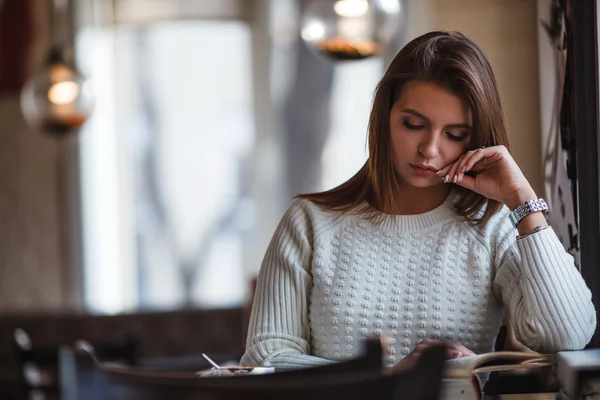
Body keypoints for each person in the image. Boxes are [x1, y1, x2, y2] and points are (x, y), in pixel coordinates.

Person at [240, 31, 596, 371]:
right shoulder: (309, 224)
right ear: (384, 118)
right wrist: (391, 379)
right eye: (413, 124)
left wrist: (523, 199)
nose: (429, 149)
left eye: (455, 135)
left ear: (476, 140)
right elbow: (266, 358)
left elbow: (567, 334)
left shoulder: (493, 228)